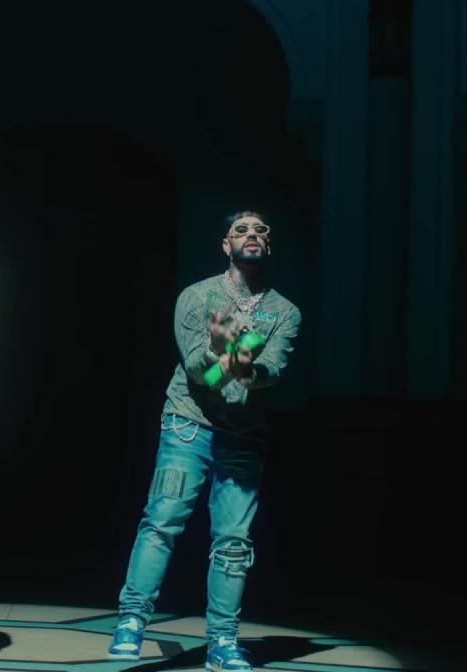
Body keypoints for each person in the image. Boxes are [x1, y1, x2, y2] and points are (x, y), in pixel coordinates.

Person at [107, 210, 301, 672]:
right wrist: (220, 352)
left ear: (268, 246)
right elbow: (198, 371)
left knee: (234, 541)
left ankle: (223, 641)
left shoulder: (284, 312)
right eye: (241, 230)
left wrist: (243, 367)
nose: (252, 235)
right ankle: (131, 620)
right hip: (188, 425)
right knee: (162, 521)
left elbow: (270, 371)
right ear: (225, 244)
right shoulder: (198, 297)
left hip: (243, 436)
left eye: (261, 231)